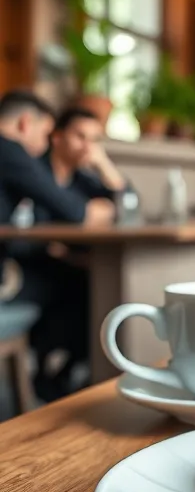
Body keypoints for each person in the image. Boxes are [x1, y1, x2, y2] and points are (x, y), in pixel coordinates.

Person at [0, 91, 115, 400]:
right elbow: (74, 211)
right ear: (25, 124)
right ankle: (59, 381)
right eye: (45, 132)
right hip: (11, 273)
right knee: (85, 287)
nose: (45, 140)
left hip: (21, 266)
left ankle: (52, 377)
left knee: (75, 281)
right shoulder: (11, 152)